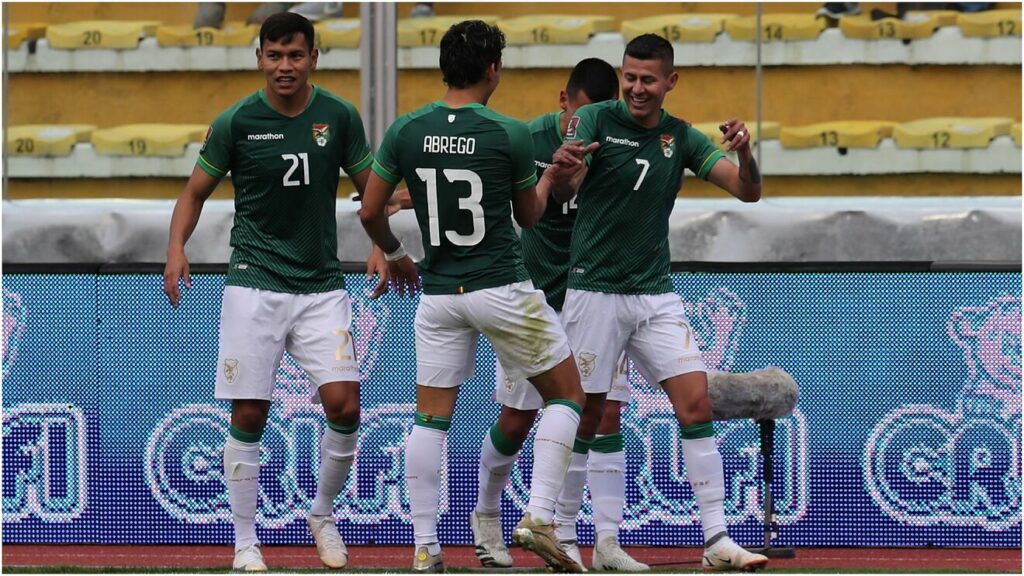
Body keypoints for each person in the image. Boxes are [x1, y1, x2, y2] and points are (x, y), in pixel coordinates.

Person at [359, 19, 595, 574]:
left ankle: (425, 546)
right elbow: (529, 217)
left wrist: (395, 253)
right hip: (499, 285)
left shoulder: (405, 130)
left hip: (440, 294)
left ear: (445, 67)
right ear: (494, 68)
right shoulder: (507, 133)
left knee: (431, 419)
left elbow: (370, 211)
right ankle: (539, 517)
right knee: (568, 397)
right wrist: (550, 177)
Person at [163, 12, 380, 572]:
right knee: (250, 413)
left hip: (322, 288)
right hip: (254, 285)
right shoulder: (235, 121)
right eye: (275, 55)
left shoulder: (338, 116)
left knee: (345, 404)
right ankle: (244, 542)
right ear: (259, 57)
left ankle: (322, 514)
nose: (286, 66)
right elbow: (193, 193)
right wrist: (175, 251)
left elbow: (371, 190)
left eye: (296, 55)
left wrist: (381, 242)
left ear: (314, 57)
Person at [551, 33, 769, 572]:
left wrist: (745, 151)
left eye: (649, 79)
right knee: (589, 416)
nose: (637, 88)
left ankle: (717, 540)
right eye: (630, 77)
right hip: (594, 289)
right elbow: (560, 193)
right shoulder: (596, 119)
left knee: (695, 400)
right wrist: (567, 171)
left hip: (654, 294)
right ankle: (569, 536)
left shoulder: (682, 138)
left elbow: (748, 192)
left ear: (671, 82)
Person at [468, 58, 648, 572]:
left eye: (595, 117)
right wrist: (398, 199)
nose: (583, 128)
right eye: (577, 116)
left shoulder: (616, 141)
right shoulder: (527, 140)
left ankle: (599, 542)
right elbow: (470, 183)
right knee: (518, 417)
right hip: (535, 303)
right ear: (562, 101)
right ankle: (485, 515)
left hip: (597, 298)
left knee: (603, 411)